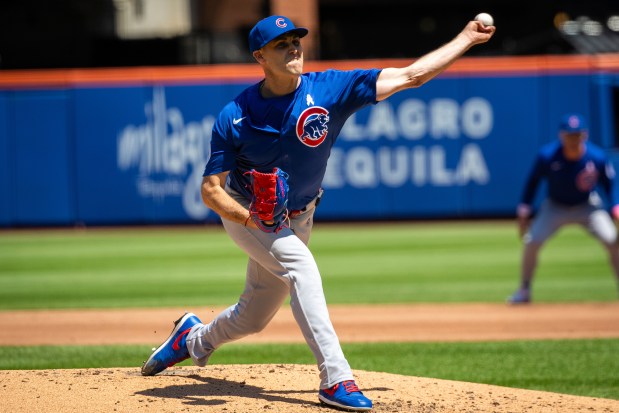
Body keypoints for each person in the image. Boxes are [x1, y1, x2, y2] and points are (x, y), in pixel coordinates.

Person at [141, 14, 495, 411]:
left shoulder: (330, 88)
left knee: (253, 316)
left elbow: (411, 75)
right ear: (260, 55)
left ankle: (192, 339)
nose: (294, 47)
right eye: (281, 44)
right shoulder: (236, 115)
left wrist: (465, 38)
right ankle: (335, 378)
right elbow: (210, 190)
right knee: (302, 269)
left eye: (296, 40)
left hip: (300, 215)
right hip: (248, 213)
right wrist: (249, 218)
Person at [508, 113, 619, 304]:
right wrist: (524, 209)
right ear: (561, 136)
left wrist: (616, 205)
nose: (573, 140)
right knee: (532, 242)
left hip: (588, 206)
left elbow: (611, 184)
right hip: (555, 206)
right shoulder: (548, 156)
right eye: (569, 135)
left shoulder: (597, 157)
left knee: (612, 240)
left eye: (576, 135)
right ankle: (524, 290)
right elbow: (532, 182)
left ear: (585, 135)